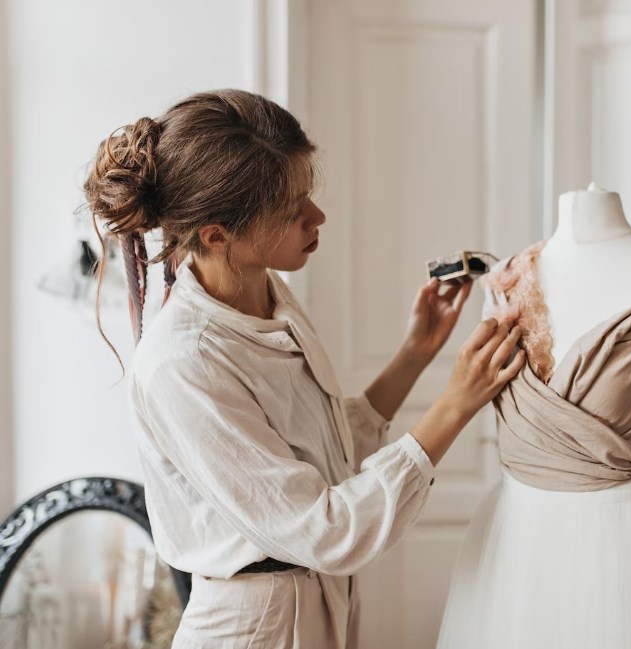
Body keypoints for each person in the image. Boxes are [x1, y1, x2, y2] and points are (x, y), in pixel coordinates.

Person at [83, 88, 524, 648]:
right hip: (254, 630)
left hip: (318, 608)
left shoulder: (269, 294)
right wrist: (455, 404)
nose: (318, 217)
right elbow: (327, 527)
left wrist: (415, 355)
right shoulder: (182, 364)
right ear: (218, 235)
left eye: (307, 195)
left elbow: (320, 457)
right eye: (293, 212)